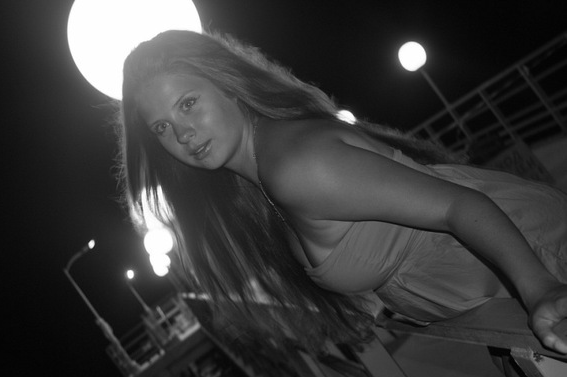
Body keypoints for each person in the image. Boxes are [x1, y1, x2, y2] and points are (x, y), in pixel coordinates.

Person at [115, 29, 567, 355]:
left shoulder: (295, 166)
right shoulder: (264, 173)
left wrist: (539, 289)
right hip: (498, 293)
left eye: (188, 104)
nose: (183, 133)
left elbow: (458, 205)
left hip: (534, 259)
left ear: (229, 87)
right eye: (162, 128)